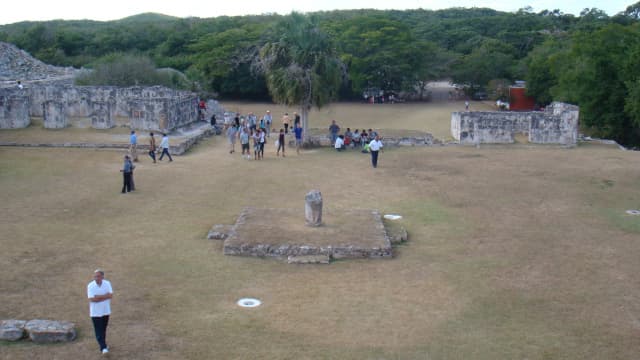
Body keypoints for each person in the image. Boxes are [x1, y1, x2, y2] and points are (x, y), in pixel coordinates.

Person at [88, 269, 113, 354]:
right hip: (95, 313)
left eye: (98, 276)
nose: (96, 278)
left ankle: (104, 344)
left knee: (103, 329)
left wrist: (98, 297)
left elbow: (110, 295)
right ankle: (103, 347)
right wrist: (105, 296)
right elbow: (92, 299)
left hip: (105, 311)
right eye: (95, 276)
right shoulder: (90, 285)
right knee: (98, 330)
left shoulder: (107, 283)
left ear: (102, 276)